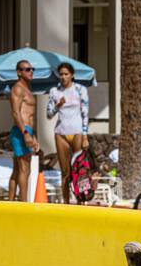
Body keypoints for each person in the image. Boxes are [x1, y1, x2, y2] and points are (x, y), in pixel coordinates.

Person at [46, 62, 90, 203]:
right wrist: (58, 106)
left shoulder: (80, 89)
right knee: (65, 172)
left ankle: (81, 200)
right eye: (61, 74)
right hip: (61, 133)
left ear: (72, 75)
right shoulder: (55, 91)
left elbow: (85, 113)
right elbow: (49, 114)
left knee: (79, 169)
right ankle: (66, 202)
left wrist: (85, 135)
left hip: (77, 132)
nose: (63, 77)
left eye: (66, 74)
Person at [8, 59, 39, 201]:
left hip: (26, 131)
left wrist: (34, 136)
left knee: (17, 170)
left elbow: (29, 115)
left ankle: (11, 202)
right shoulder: (18, 88)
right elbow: (15, 113)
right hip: (22, 131)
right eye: (27, 69)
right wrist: (26, 133)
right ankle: (24, 204)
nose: (31, 71)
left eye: (32, 69)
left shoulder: (27, 89)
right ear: (19, 72)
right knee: (25, 169)